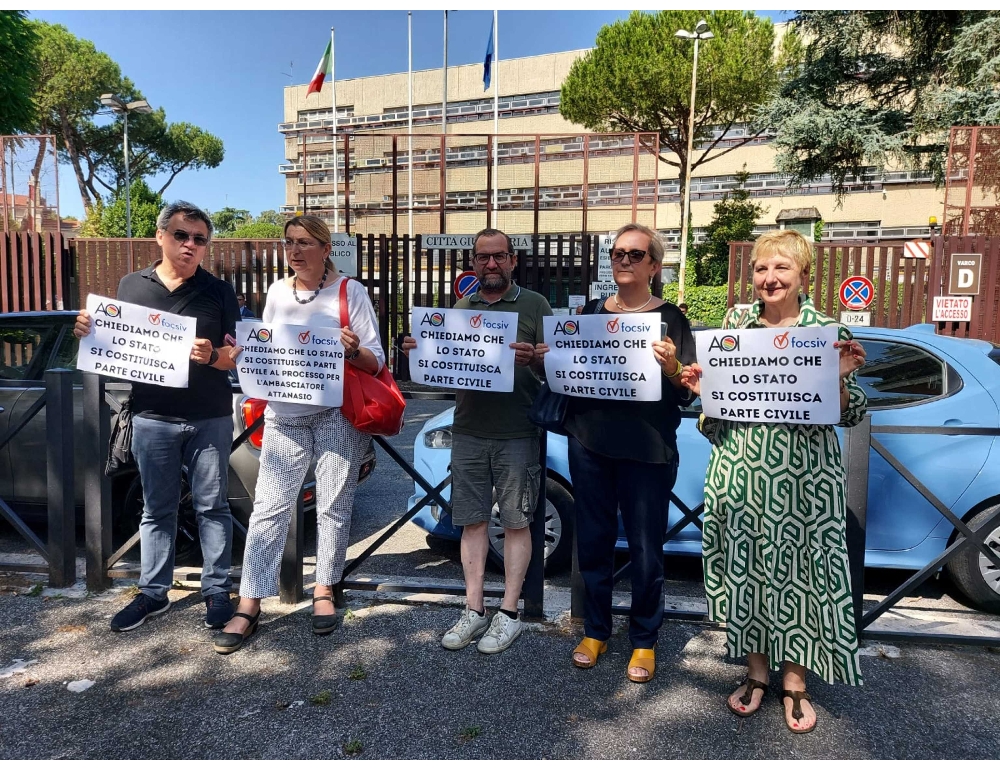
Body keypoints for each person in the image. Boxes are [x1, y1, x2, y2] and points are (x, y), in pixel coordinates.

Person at [680, 229, 868, 733]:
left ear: (803, 274)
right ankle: (756, 673)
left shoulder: (824, 329)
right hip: (740, 473)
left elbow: (850, 413)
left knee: (803, 576)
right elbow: (720, 407)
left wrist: (839, 378)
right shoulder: (735, 324)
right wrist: (703, 390)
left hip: (804, 481)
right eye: (762, 268)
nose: (770, 277)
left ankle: (795, 682)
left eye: (782, 267)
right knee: (747, 573)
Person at [214, 215, 384, 653]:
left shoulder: (350, 292)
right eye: (289, 242)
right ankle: (250, 602)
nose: (295, 250)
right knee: (268, 509)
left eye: (305, 242)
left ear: (326, 249)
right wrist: (246, 352)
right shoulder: (276, 292)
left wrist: (353, 350)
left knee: (333, 507)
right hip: (284, 415)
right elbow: (269, 349)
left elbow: (377, 361)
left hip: (336, 415)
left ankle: (324, 589)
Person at [535, 223, 695, 683]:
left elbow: (687, 390)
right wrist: (549, 359)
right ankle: (596, 630)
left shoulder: (671, 318)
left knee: (646, 547)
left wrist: (672, 367)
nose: (624, 260)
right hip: (590, 444)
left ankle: (644, 638)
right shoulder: (588, 313)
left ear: (654, 265)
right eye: (618, 253)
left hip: (648, 448)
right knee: (593, 541)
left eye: (635, 254)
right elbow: (565, 375)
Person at [74, 201, 241, 632]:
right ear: (160, 236)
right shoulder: (131, 285)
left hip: (209, 416)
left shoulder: (219, 291)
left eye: (199, 239)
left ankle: (216, 590)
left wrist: (213, 355)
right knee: (156, 509)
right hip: (152, 417)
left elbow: (235, 355)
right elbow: (112, 341)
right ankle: (153, 592)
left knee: (212, 507)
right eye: (181, 235)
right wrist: (87, 331)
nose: (190, 245)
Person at [401, 228, 552, 654]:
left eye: (499, 256)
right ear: (473, 262)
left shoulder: (535, 304)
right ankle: (474, 608)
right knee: (472, 521)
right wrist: (419, 352)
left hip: (518, 431)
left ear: (513, 260)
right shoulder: (461, 308)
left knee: (517, 522)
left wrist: (536, 359)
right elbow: (446, 367)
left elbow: (556, 367)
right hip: (467, 430)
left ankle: (509, 612)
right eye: (483, 257)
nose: (491, 264)